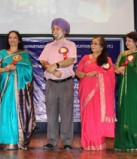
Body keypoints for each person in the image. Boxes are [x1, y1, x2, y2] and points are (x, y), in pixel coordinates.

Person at [0, 30, 36, 150]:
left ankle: (17, 140)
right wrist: (6, 68)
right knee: (6, 110)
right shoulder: (2, 53)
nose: (12, 39)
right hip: (6, 85)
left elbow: (29, 72)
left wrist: (17, 69)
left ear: (19, 40)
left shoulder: (24, 54)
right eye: (10, 37)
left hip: (19, 87)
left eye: (14, 37)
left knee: (17, 111)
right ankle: (5, 140)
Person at [38, 18, 77, 150]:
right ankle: (52, 141)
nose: (54, 31)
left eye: (57, 28)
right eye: (53, 29)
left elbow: (70, 60)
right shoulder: (49, 46)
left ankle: (67, 142)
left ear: (64, 31)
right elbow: (43, 61)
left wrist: (56, 65)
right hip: (51, 84)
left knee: (67, 113)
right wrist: (53, 71)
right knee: (51, 113)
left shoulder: (71, 45)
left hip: (66, 83)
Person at [75, 36, 115, 150]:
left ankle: (98, 143)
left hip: (100, 95)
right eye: (92, 43)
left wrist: (98, 74)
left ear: (102, 47)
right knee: (88, 117)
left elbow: (111, 76)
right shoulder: (85, 58)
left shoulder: (107, 60)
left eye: (96, 44)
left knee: (97, 118)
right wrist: (87, 74)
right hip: (87, 91)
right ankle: (87, 143)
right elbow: (78, 73)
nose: (93, 45)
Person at [114, 31, 137, 151]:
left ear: (136, 42)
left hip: (135, 91)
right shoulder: (123, 54)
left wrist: (126, 69)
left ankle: (134, 142)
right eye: (126, 40)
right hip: (123, 89)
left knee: (133, 112)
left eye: (129, 41)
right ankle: (122, 142)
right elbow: (116, 67)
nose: (127, 43)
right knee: (123, 112)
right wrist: (117, 69)